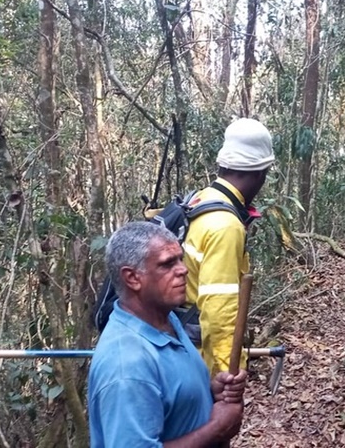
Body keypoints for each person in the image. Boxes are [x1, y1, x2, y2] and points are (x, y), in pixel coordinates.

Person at [88, 222, 246, 446]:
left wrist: (210, 392)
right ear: (133, 278)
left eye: (180, 259)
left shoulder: (166, 320)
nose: (183, 270)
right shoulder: (126, 366)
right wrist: (217, 429)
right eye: (167, 264)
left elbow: (166, 398)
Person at [182, 117, 275, 375]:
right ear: (260, 173)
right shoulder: (225, 225)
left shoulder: (201, 199)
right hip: (199, 362)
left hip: (180, 349)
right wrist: (228, 378)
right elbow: (219, 315)